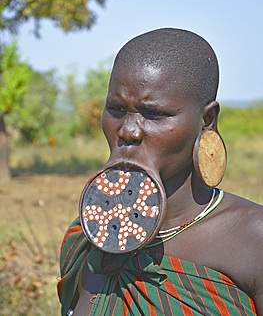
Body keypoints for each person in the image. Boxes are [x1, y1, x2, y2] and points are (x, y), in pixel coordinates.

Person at [57, 28, 263, 315]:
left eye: (153, 114)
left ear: (207, 120)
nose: (128, 130)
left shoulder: (254, 238)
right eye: (116, 109)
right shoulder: (85, 236)